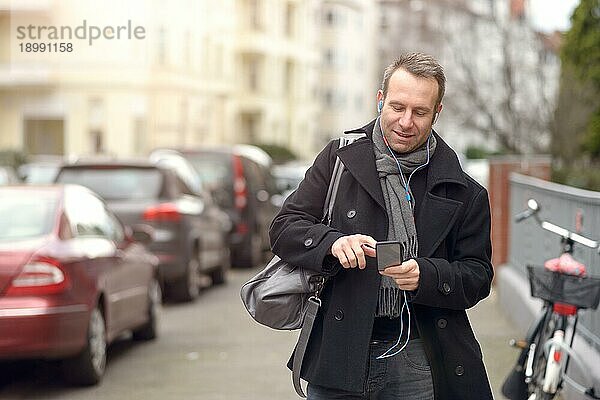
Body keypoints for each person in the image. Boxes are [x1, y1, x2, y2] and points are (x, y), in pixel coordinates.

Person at [269, 52, 494, 399]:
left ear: (437, 112)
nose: (406, 121)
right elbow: (284, 227)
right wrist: (331, 243)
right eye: (397, 107)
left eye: (420, 112)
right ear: (380, 100)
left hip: (421, 355)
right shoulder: (338, 159)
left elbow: (478, 276)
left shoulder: (464, 190)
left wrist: (427, 275)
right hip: (339, 351)